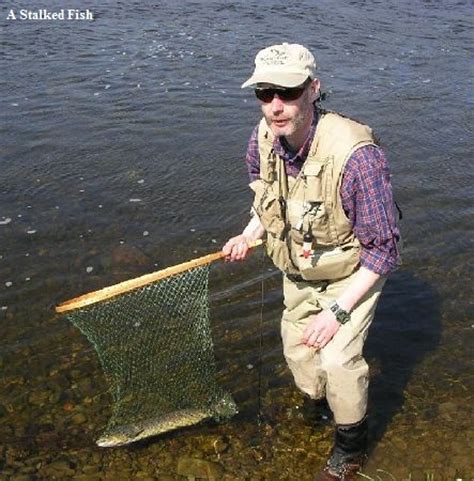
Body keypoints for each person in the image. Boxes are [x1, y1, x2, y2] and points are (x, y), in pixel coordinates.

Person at [222, 43, 401, 480]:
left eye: (288, 91)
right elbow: (267, 201)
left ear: (313, 89)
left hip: (353, 273)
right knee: (300, 355)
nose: (276, 106)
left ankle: (350, 451)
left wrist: (338, 314)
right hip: (299, 269)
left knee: (338, 360)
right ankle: (323, 407)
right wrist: (248, 235)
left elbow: (384, 252)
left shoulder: (358, 157)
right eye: (265, 93)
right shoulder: (262, 139)